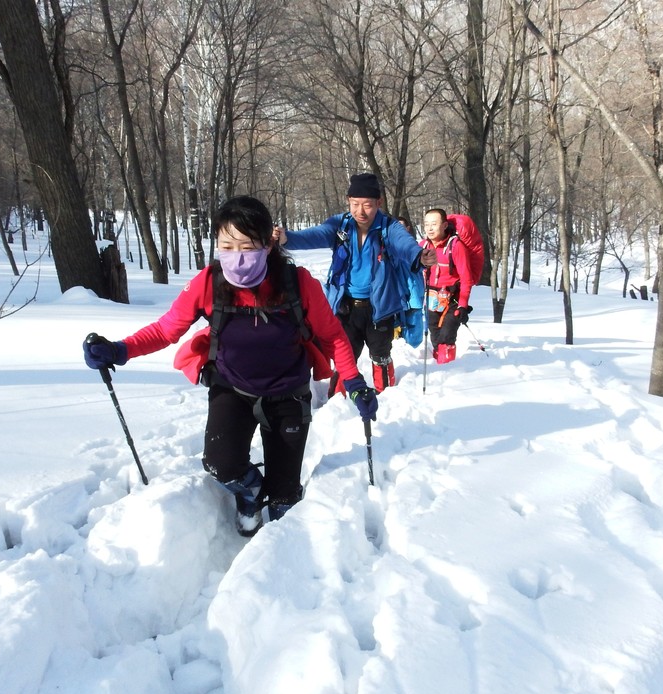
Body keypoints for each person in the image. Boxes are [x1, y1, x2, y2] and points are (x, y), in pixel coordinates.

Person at [83, 196, 378, 537]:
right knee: (220, 465)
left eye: (247, 245)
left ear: (268, 244)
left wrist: (355, 384)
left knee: (284, 498)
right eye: (227, 245)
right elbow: (167, 329)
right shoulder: (209, 283)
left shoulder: (298, 285)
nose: (236, 256)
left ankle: (279, 549)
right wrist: (120, 350)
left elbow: (334, 337)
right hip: (232, 389)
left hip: (289, 396)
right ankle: (251, 491)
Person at [275, 173, 436, 393]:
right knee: (345, 355)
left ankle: (386, 396)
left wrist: (420, 256)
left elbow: (405, 245)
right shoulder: (340, 226)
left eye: (367, 205)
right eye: (355, 204)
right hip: (346, 306)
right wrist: (286, 238)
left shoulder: (389, 228)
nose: (361, 211)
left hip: (381, 308)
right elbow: (314, 235)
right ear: (348, 201)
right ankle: (339, 399)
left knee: (380, 354)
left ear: (378, 203)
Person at [419, 207, 482, 364]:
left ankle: (447, 370)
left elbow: (466, 278)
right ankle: (437, 365)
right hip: (432, 298)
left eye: (434, 224)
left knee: (447, 336)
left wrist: (463, 305)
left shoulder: (456, 246)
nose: (430, 228)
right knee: (435, 335)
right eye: (426, 224)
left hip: (453, 298)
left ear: (445, 225)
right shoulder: (423, 246)